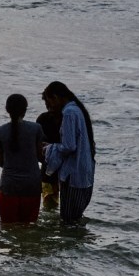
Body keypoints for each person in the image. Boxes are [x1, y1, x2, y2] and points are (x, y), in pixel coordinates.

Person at [40, 81, 96, 225]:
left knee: (68, 221)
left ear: (56, 97)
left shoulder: (69, 112)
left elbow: (69, 146)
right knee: (75, 220)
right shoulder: (77, 110)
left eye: (50, 102)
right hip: (83, 173)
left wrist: (49, 148)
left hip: (73, 174)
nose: (50, 107)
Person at [0, 94, 45, 224]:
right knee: (29, 228)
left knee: (8, 228)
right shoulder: (36, 129)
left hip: (9, 186)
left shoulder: (0, 131)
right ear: (25, 110)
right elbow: (40, 157)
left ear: (7, 109)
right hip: (32, 185)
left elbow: (1, 162)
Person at [35, 104, 62, 209]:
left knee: (49, 207)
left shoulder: (42, 118)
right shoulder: (65, 118)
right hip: (62, 168)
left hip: (48, 169)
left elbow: (38, 147)